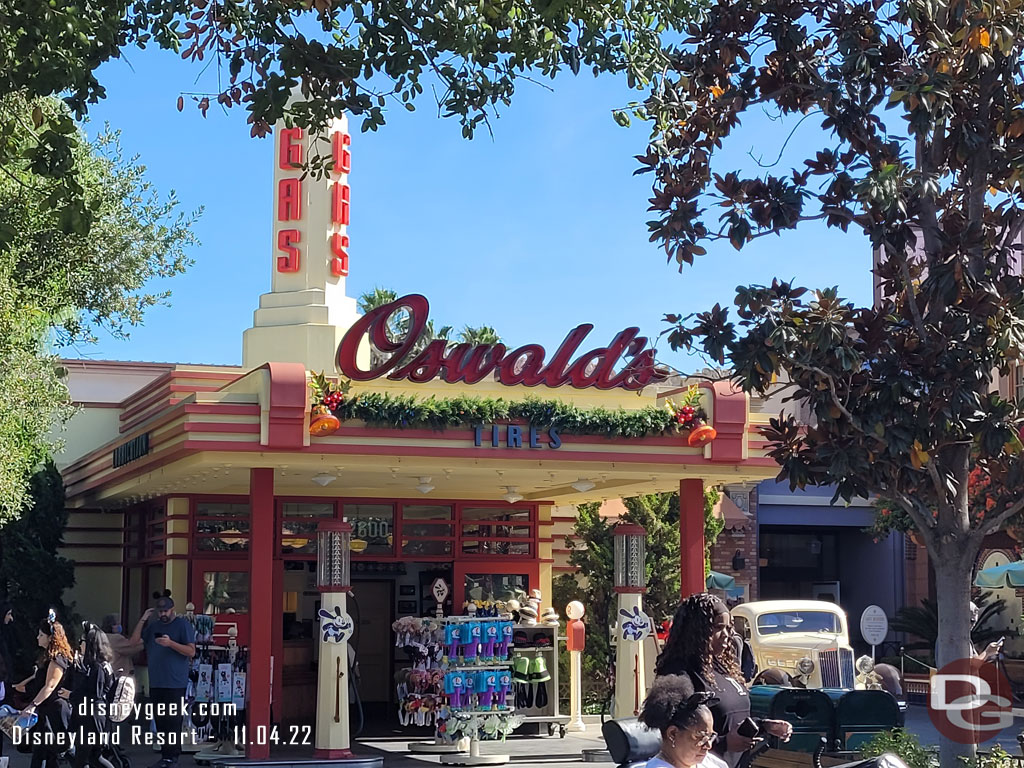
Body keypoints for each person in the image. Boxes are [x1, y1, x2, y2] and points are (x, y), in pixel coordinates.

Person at [655, 594, 792, 768]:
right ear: (697, 630)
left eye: (729, 627)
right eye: (719, 627)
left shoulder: (724, 666)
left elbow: (732, 719)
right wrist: (724, 743)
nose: (727, 635)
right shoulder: (677, 673)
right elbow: (673, 735)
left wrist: (763, 725)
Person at [128, 593, 195, 768]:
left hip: (175, 683)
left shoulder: (182, 625)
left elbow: (191, 651)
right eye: (160, 611)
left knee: (173, 720)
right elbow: (134, 642)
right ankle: (166, 757)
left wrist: (170, 644)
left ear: (172, 610)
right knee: (161, 721)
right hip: (156, 682)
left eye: (166, 611)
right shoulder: (154, 626)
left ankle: (173, 757)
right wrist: (143, 619)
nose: (163, 614)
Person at [17, 610, 74, 768]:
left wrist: (32, 706)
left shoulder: (58, 658)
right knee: (42, 752)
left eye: (41, 635)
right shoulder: (47, 657)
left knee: (62, 751)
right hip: (46, 711)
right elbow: (39, 681)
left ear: (51, 637)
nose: (37, 637)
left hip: (55, 711)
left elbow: (50, 686)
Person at [639, 674, 728, 768]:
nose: (708, 745)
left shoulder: (714, 764)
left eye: (710, 737)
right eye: (701, 736)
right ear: (672, 734)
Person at [68, 624, 115, 768]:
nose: (80, 645)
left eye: (82, 642)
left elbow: (94, 693)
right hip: (95, 714)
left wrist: (71, 694)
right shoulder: (102, 664)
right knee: (95, 757)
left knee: (82, 759)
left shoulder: (97, 666)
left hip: (92, 715)